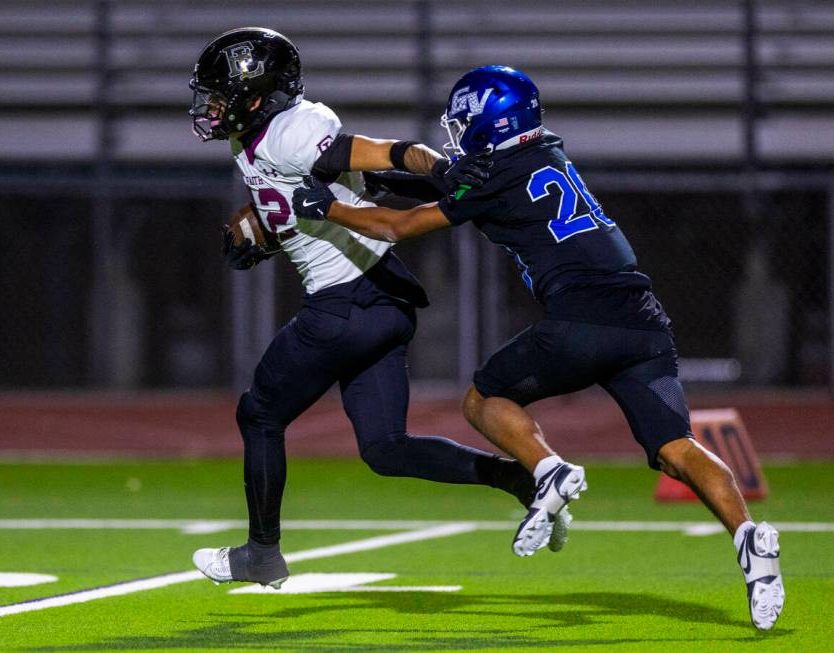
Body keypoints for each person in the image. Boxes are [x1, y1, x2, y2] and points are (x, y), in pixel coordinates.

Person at [292, 65, 784, 630]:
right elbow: (469, 186)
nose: (458, 132)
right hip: (644, 323)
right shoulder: (548, 151)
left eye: (465, 122)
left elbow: (396, 229)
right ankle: (752, 543)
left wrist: (325, 208)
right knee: (677, 447)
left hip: (581, 318)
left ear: (488, 121)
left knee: (483, 399)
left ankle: (548, 470)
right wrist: (406, 179)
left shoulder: (496, 172)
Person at [187, 29, 540, 590]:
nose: (210, 106)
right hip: (384, 298)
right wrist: (263, 227)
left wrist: (441, 169)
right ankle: (517, 480)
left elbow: (384, 154)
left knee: (259, 414)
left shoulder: (291, 130)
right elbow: (341, 189)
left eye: (221, 93)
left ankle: (261, 552)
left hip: (345, 302)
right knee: (385, 448)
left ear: (259, 95)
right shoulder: (255, 136)